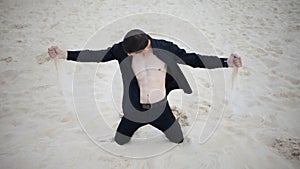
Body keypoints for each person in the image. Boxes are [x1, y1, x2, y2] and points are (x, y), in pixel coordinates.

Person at [48, 29, 242, 145]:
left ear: (145, 47)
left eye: (131, 54)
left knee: (178, 140)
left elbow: (193, 60)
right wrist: (64, 54)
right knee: (120, 141)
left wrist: (227, 62)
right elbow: (95, 55)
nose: (127, 56)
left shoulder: (165, 48)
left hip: (160, 110)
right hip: (133, 110)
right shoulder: (121, 49)